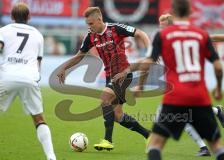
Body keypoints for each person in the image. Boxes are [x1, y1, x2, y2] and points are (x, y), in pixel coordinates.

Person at [114, 0, 224, 160]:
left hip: (176, 94)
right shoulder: (198, 34)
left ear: (172, 20)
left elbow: (146, 62)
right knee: (216, 145)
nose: (160, 29)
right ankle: (210, 129)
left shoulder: (164, 38)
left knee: (155, 143)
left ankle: (209, 132)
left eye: (162, 26)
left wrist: (139, 86)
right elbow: (216, 59)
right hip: (199, 94)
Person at [57, 7, 151, 151]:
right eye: (87, 24)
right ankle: (148, 135)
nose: (89, 27)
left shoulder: (115, 28)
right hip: (110, 76)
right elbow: (79, 55)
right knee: (118, 115)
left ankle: (108, 140)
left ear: (99, 19)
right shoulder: (91, 36)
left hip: (123, 74)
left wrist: (150, 52)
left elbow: (140, 33)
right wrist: (64, 68)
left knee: (104, 99)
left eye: (91, 23)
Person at [157, 13, 224, 156]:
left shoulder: (188, 35)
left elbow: (212, 38)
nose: (160, 28)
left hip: (187, 82)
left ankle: (206, 142)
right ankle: (214, 117)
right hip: (176, 83)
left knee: (181, 116)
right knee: (185, 116)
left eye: (162, 25)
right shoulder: (164, 39)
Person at [0, 3, 56, 160]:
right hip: (29, 78)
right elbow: (39, 63)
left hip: (6, 76)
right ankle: (51, 157)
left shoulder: (3, 31)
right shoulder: (38, 35)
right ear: (29, 17)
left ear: (11, 17)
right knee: (39, 119)